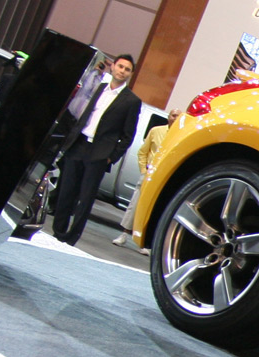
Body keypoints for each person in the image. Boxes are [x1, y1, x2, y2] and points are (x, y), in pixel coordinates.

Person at [51, 53, 141, 247]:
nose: (122, 71)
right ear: (113, 67)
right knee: (66, 191)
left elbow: (128, 136)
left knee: (85, 199)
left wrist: (111, 157)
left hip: (100, 153)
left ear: (130, 74)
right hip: (79, 144)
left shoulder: (131, 101)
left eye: (127, 69)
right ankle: (58, 232)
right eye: (120, 66)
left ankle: (71, 238)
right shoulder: (99, 88)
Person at [112, 109, 180, 252]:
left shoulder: (181, 135)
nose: (175, 118)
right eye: (173, 115)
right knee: (135, 204)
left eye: (178, 116)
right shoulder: (156, 131)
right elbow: (143, 152)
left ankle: (147, 244)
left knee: (157, 208)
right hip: (149, 173)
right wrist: (144, 170)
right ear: (168, 117)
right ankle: (124, 235)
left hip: (166, 176)